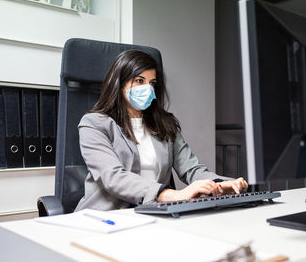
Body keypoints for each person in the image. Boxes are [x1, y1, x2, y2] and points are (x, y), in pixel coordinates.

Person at [75, 49, 248, 211]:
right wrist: (173, 195)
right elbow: (113, 177)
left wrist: (220, 183)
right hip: (105, 217)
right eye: (139, 81)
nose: (147, 88)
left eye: (152, 83)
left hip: (153, 214)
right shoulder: (94, 124)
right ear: (119, 83)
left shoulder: (165, 124)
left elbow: (192, 170)